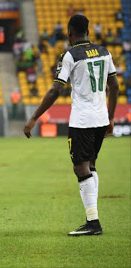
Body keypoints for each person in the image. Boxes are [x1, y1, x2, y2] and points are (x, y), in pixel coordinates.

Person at [24, 15, 119, 236]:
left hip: (83, 120)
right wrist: (111, 117)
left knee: (80, 166)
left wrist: (34, 117)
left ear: (69, 32)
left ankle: (93, 222)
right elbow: (114, 86)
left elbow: (56, 90)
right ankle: (93, 218)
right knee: (91, 164)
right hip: (101, 118)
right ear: (88, 30)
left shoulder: (70, 55)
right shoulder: (105, 52)